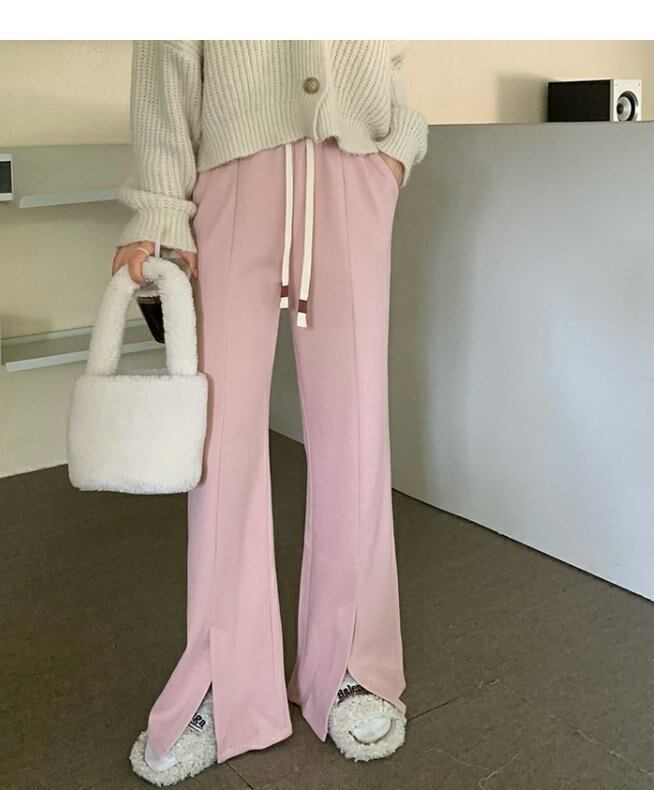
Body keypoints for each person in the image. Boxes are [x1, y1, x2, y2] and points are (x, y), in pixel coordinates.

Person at [113, 40, 428, 786]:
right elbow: (166, 53)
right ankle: (224, 680)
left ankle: (353, 662)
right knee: (219, 443)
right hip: (232, 175)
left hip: (352, 168)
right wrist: (158, 207)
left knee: (357, 434)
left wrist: (394, 153)